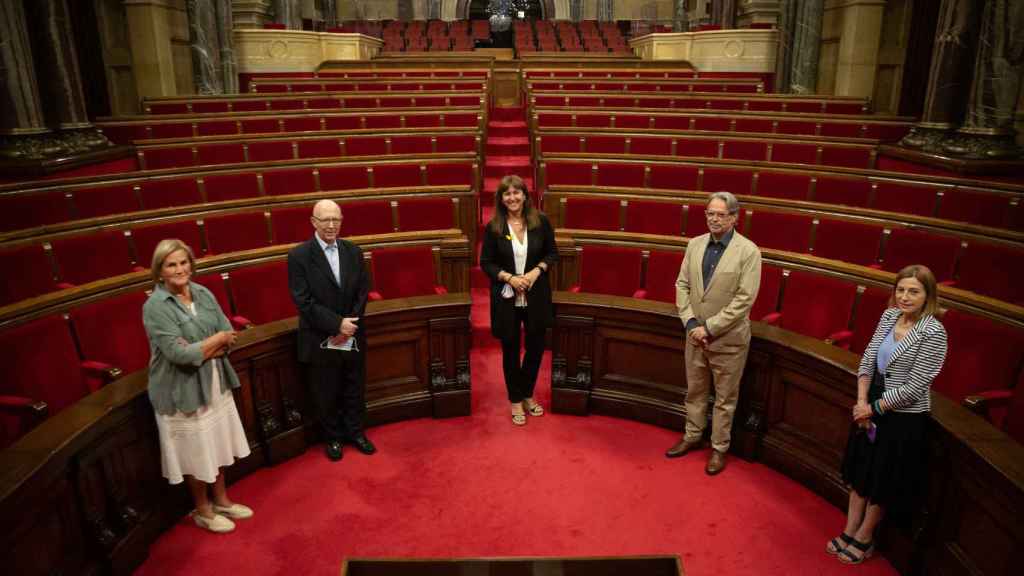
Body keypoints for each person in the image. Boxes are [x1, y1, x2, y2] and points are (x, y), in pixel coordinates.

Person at [828, 265, 947, 564]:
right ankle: (849, 528)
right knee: (860, 473)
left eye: (914, 291)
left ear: (928, 296)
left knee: (882, 480)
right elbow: (868, 358)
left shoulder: (933, 331)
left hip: (902, 417)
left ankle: (865, 537)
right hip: (868, 404)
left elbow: (916, 385)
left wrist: (873, 408)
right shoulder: (888, 316)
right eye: (901, 290)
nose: (905, 297)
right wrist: (860, 401)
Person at [142, 239, 253, 534]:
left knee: (215, 442)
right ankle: (202, 509)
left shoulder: (202, 292)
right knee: (196, 449)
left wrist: (206, 347)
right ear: (160, 271)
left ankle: (222, 500)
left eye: (183, 262)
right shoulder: (155, 306)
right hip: (180, 389)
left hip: (214, 379)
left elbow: (227, 331)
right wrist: (214, 342)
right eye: (171, 265)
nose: (180, 270)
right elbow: (180, 355)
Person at [665, 191, 761, 475]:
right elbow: (682, 285)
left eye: (721, 215)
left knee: (724, 399)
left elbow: (744, 299)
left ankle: (719, 448)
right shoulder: (694, 245)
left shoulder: (749, 251)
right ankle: (692, 436)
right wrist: (691, 323)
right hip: (694, 335)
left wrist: (710, 327)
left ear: (734, 217)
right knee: (695, 391)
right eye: (710, 214)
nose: (714, 219)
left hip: (727, 340)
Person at [288, 199, 374, 461]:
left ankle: (356, 432)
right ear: (313, 222)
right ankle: (333, 438)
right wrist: (337, 324)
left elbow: (362, 291)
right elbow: (303, 301)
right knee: (326, 390)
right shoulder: (299, 256)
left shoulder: (353, 251)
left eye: (336, 219)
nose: (331, 225)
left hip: (352, 332)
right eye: (325, 219)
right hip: (319, 335)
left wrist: (349, 325)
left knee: (353, 385)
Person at [480, 175, 558, 426]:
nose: (512, 198)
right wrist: (509, 278)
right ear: (501, 199)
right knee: (511, 350)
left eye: (517, 193)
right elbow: (486, 263)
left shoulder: (541, 221)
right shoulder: (494, 227)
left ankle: (526, 393)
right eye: (507, 194)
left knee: (535, 349)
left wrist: (537, 271)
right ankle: (516, 400)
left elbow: (552, 252)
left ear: (525, 195)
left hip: (536, 296)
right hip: (507, 297)